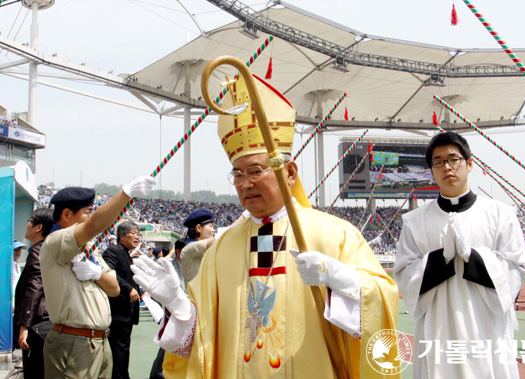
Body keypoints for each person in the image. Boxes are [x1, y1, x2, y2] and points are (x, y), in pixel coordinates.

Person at [132, 74, 399, 378]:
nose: (245, 184)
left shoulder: (334, 235)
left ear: (290, 172)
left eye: (256, 171)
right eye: (237, 175)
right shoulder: (222, 247)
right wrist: (178, 306)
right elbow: (202, 340)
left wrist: (340, 279)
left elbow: (382, 301)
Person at [394, 131, 525, 379]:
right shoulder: (414, 222)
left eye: (453, 159)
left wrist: (475, 258)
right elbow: (404, 274)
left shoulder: (501, 214)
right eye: (438, 162)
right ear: (431, 171)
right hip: (438, 326)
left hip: (485, 325)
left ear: (469, 163)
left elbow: (517, 266)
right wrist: (439, 259)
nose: (446, 167)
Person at [41, 177, 155, 379]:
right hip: (73, 342)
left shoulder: (89, 251)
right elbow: (95, 225)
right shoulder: (55, 241)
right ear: (67, 214)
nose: (91, 216)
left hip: (99, 342)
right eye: (87, 212)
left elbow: (114, 288)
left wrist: (97, 274)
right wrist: (125, 194)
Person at [13, 208, 54, 379]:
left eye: (30, 221)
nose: (27, 225)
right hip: (48, 323)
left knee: (35, 372)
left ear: (38, 227)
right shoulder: (49, 249)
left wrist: (25, 326)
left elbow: (34, 287)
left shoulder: (38, 251)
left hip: (38, 325)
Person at [102, 221, 144, 379]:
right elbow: (109, 272)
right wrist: (129, 289)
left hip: (125, 314)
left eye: (138, 234)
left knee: (122, 352)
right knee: (119, 353)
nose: (137, 237)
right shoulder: (113, 251)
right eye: (133, 233)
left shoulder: (125, 253)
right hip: (118, 314)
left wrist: (141, 292)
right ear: (121, 236)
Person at [180, 209, 215, 286]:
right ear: (198, 228)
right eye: (211, 226)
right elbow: (221, 240)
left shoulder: (201, 248)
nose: (213, 230)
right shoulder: (191, 247)